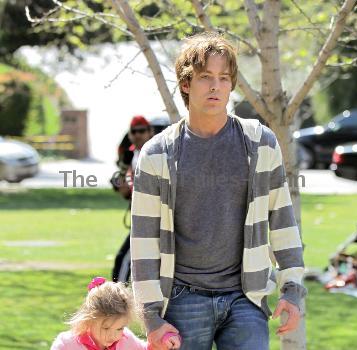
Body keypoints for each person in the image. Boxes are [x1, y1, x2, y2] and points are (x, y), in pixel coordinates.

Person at [130, 32, 307, 350]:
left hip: (246, 298)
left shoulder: (259, 143)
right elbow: (143, 242)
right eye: (205, 77)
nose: (215, 86)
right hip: (182, 300)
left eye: (224, 78)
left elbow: (282, 219)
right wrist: (152, 317)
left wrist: (292, 289)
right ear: (185, 84)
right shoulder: (157, 154)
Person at [51, 277, 181, 350]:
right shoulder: (66, 345)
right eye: (106, 327)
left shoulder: (125, 340)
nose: (113, 335)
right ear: (89, 320)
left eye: (119, 328)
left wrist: (163, 342)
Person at [111, 116, 154, 283]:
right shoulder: (129, 156)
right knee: (125, 260)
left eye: (142, 130)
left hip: (154, 218)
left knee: (124, 260)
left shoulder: (157, 152)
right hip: (140, 218)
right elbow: (122, 188)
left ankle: (115, 301)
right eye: (134, 131)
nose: (138, 135)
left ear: (150, 132)